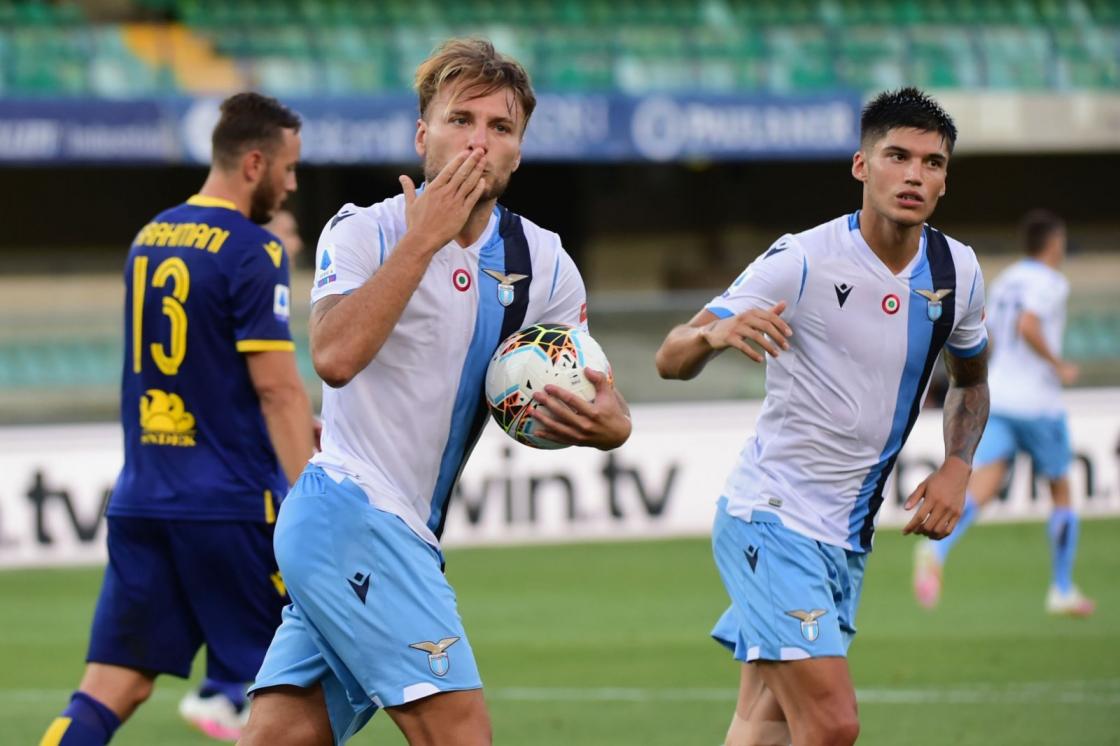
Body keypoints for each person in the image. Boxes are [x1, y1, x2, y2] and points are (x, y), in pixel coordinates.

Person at [239, 38, 632, 746]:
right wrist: (422, 242)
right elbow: (332, 356)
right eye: (460, 120)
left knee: (278, 738)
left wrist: (608, 424)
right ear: (424, 136)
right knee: (460, 736)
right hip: (351, 514)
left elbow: (596, 392)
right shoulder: (365, 230)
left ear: (519, 151)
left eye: (500, 128)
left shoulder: (544, 263)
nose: (479, 142)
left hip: (401, 534)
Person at [655, 88, 990, 746]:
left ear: (946, 179)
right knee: (832, 724)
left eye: (933, 162)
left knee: (765, 721)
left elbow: (971, 381)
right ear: (862, 166)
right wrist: (712, 337)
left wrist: (958, 465)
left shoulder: (959, 271)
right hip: (773, 517)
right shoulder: (802, 260)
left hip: (845, 534)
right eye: (898, 156)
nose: (915, 175)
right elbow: (670, 356)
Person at [39, 92, 316, 746]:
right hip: (228, 508)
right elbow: (277, 389)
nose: (293, 183)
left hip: (144, 499)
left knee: (112, 686)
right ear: (255, 164)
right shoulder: (254, 249)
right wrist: (314, 499)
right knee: (293, 699)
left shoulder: (150, 236)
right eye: (289, 169)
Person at [913, 210, 1095, 616]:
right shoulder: (1050, 281)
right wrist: (1057, 364)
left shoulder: (1009, 278)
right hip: (1038, 403)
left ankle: (936, 553)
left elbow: (989, 331)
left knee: (985, 485)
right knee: (1061, 490)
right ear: (1053, 244)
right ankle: (1061, 588)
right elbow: (1029, 326)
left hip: (1001, 396)